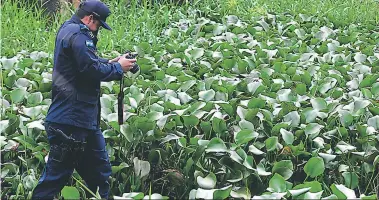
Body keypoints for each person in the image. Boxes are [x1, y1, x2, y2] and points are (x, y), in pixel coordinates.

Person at [31, 0, 136, 199]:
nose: (98, 31)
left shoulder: (68, 29)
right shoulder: (80, 34)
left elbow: (83, 63)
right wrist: (117, 68)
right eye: (99, 25)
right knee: (54, 179)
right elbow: (89, 69)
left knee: (100, 174)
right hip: (70, 123)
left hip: (84, 121)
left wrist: (110, 62)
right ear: (90, 19)